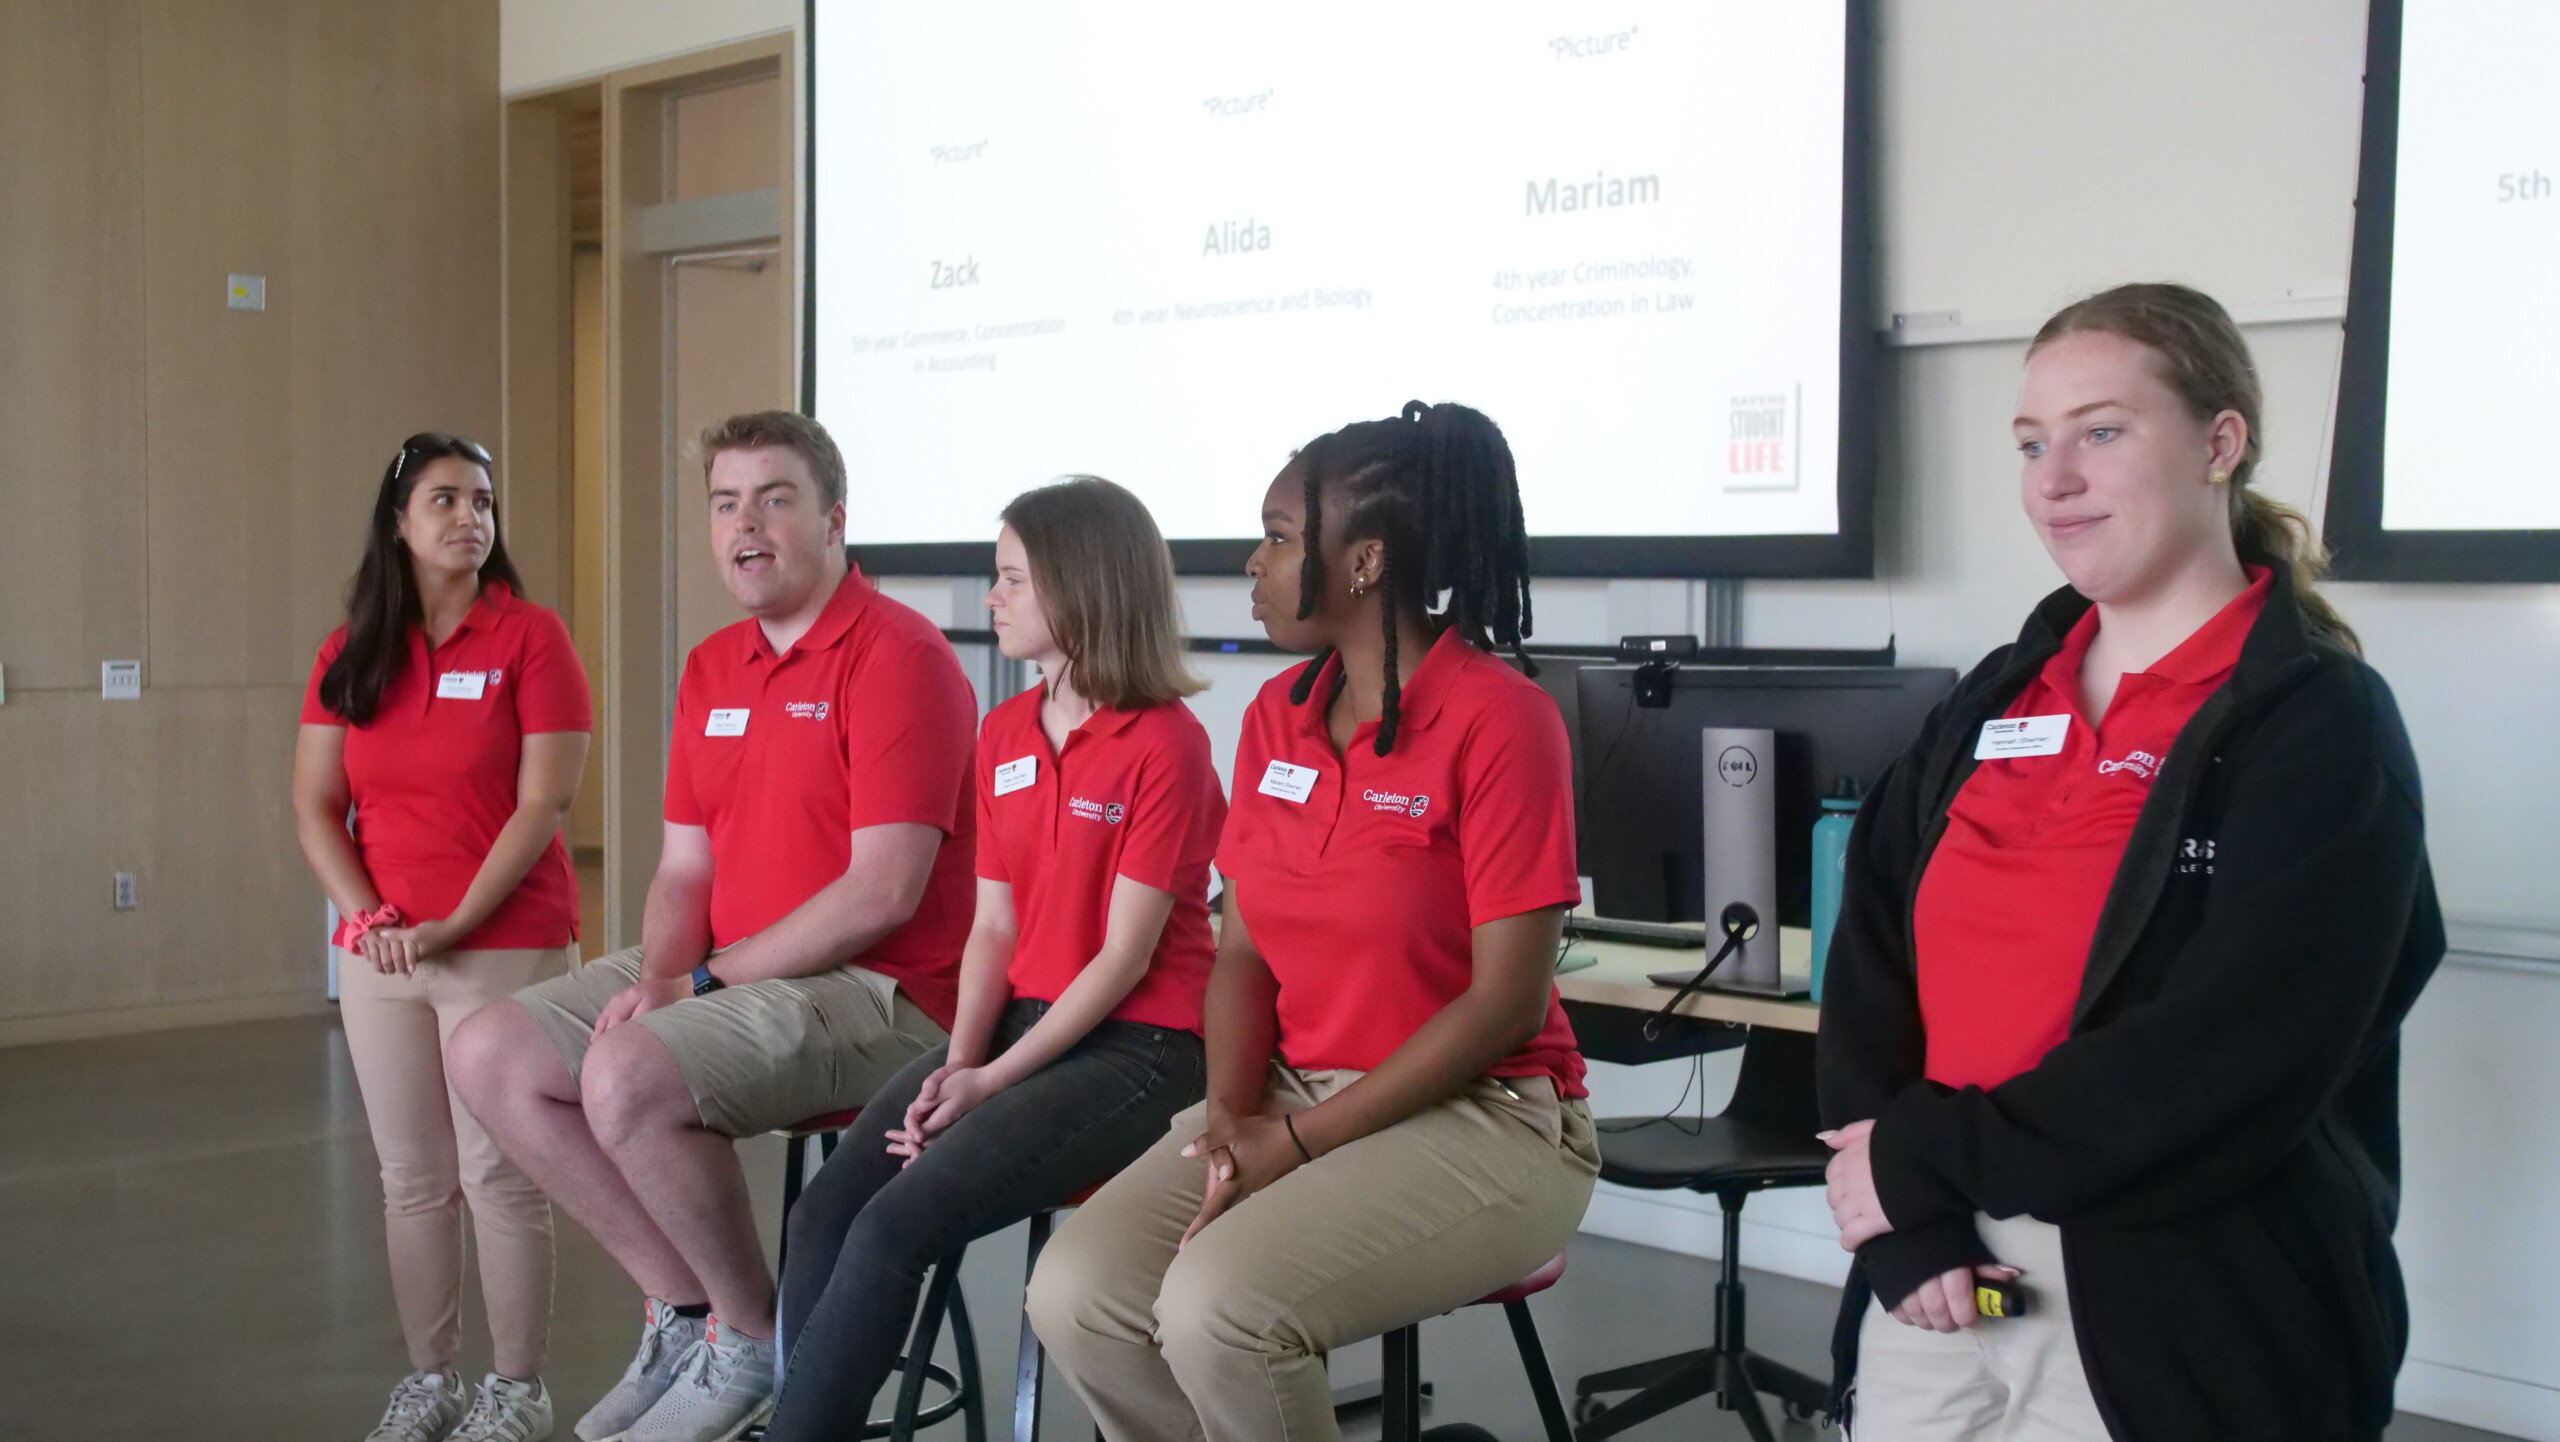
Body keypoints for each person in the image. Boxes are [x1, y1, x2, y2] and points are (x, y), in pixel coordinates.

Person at [1814, 283, 2443, 1441]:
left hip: (2170, 1287)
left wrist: (1920, 1154)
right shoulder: (1998, 696)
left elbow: (2235, 1049)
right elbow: (1869, 960)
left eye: (2100, 431)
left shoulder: (2317, 725)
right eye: (2029, 443)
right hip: (1948, 1258)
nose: (2053, 480)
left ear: (2219, 443)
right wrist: (1908, 1220)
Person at [1026, 402, 1600, 1442]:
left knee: (1221, 1310)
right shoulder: (1273, 715)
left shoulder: (1501, 718)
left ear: (1366, 559)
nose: (1254, 560)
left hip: (1490, 1113)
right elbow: (1241, 950)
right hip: (1288, 1093)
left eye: (1281, 535)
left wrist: (1293, 1141)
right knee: (1076, 1291)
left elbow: (1505, 999)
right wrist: (1232, 1126)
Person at [446, 411, 977, 1442]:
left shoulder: (897, 654)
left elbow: (882, 892)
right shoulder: (713, 666)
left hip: (885, 993)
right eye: (725, 503)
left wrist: (691, 990)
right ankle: (688, 1311)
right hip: (736, 970)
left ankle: (750, 1335)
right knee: (490, 1051)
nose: (746, 524)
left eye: (774, 499)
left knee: (627, 1074)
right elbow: (686, 866)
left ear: (833, 519)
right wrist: (669, 975)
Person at [763, 476, 1223, 1439]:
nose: (991, 598)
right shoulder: (1006, 732)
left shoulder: (1166, 745)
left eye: (1011, 578)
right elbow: (994, 931)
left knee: (897, 1226)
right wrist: (963, 1061)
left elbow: (1125, 958)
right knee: (826, 1210)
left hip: (1141, 1048)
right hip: (1021, 1026)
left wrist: (988, 1082)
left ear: (1079, 586)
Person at [294, 433, 593, 1442]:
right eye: (445, 499)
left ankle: (517, 1385)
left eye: (483, 500)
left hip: (499, 944)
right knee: (412, 1178)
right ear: (398, 522)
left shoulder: (531, 637)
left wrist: (453, 924)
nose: (471, 516)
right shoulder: (352, 650)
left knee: (498, 1170)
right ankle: (431, 1379)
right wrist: (368, 915)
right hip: (382, 955)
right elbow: (314, 803)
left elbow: (543, 801)